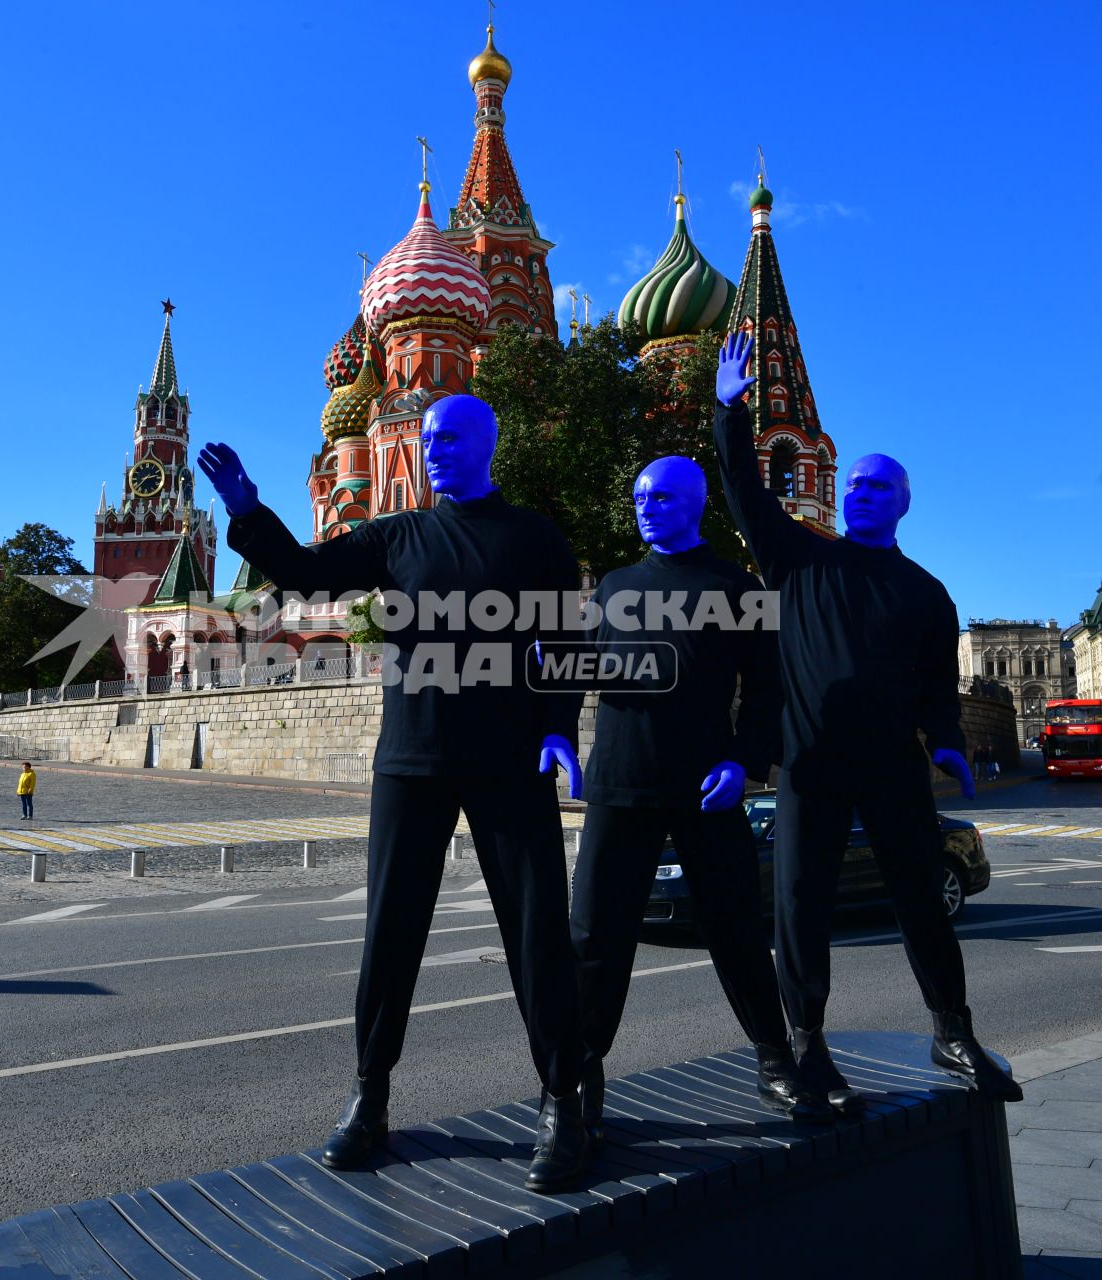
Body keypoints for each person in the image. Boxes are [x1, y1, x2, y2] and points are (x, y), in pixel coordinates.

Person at [199, 393, 591, 1191]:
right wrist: (249, 513)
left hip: (510, 756)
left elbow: (569, 639)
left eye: (452, 438)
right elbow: (308, 575)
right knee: (390, 933)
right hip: (411, 758)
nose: (436, 449)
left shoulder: (534, 538)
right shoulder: (397, 535)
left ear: (488, 444)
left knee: (538, 928)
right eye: (431, 439)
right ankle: (369, 1096)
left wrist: (557, 726)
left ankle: (563, 1100)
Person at [710, 330, 1021, 1106]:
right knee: (801, 905)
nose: (858, 493)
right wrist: (729, 412)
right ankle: (808, 1047)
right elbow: (745, 490)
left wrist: (947, 745)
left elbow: (937, 693)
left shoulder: (926, 593)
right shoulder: (799, 558)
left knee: (920, 895)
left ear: (904, 504)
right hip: (810, 763)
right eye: (852, 483)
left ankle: (953, 1032)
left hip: (891, 763)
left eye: (878, 488)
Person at [569, 455, 829, 1139]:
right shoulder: (616, 586)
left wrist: (745, 765)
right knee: (594, 938)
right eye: (638, 496)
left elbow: (770, 691)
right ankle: (577, 1078)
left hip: (707, 790)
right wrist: (552, 731)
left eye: (660, 496)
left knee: (737, 931)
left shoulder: (739, 588)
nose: (645, 506)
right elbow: (574, 670)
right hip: (620, 787)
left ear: (696, 502)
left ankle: (775, 1061)